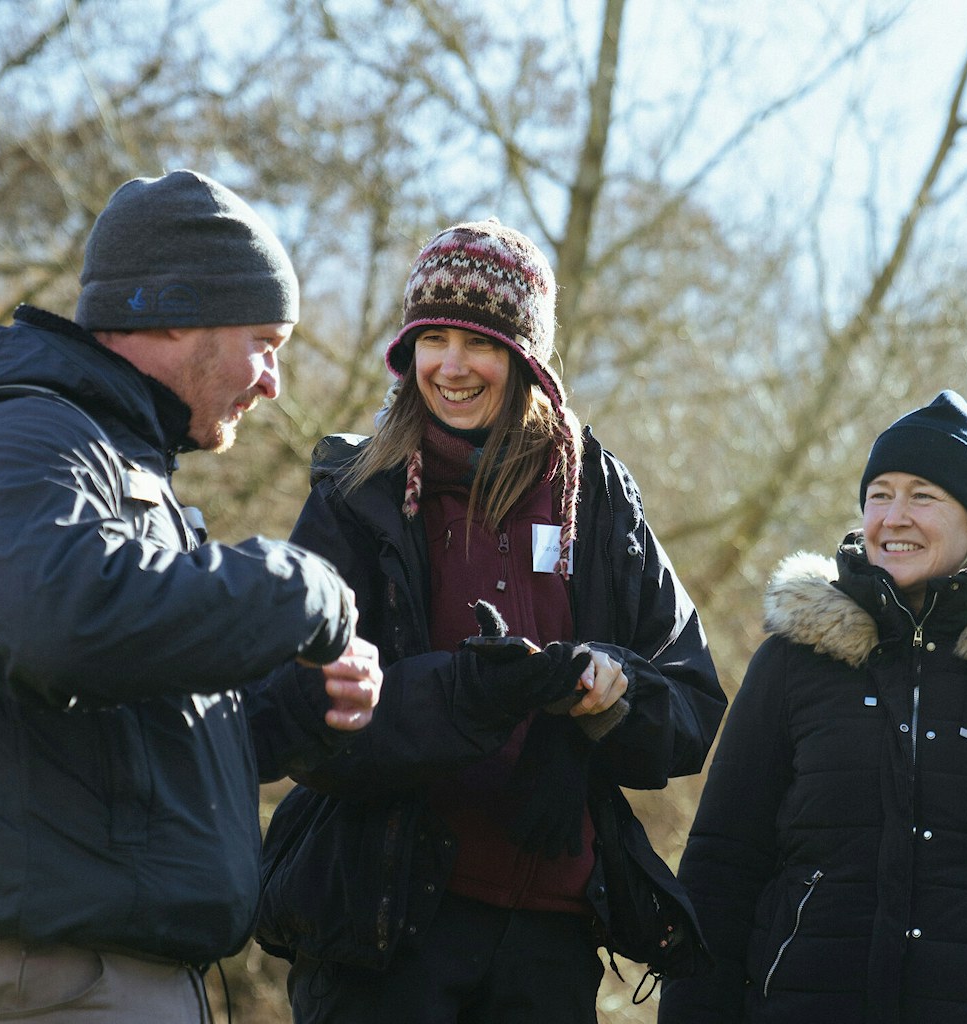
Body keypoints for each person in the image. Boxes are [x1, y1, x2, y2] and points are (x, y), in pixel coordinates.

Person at [0, 169, 383, 1023]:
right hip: (41, 986)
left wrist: (297, 708)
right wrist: (298, 586)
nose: (273, 384)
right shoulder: (20, 437)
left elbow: (123, 727)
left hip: (95, 982)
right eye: (266, 341)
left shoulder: (111, 461)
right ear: (176, 313)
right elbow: (64, 625)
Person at [253, 219, 728, 1023]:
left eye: (478, 342)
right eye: (429, 339)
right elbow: (297, 722)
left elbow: (690, 702)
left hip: (551, 935)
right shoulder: (355, 496)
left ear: (526, 360)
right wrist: (466, 696)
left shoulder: (599, 499)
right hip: (383, 929)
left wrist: (611, 695)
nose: (450, 365)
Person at [660, 390, 967, 1023]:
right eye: (880, 494)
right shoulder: (795, 660)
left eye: (924, 496)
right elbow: (721, 871)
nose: (895, 517)